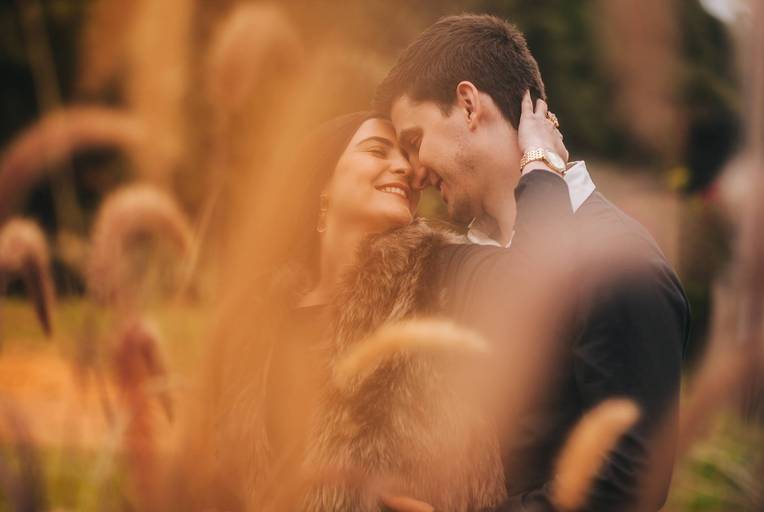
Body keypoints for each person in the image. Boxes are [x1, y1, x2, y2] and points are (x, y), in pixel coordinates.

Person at [182, 107, 573, 512]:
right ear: (323, 182)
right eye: (377, 151)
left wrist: (540, 162)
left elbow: (544, 284)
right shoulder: (255, 322)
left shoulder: (441, 273)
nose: (404, 167)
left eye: (407, 154)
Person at [373, 14, 690, 511]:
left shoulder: (625, 268)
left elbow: (624, 491)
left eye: (414, 142)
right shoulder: (462, 259)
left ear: (468, 104)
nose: (413, 172)